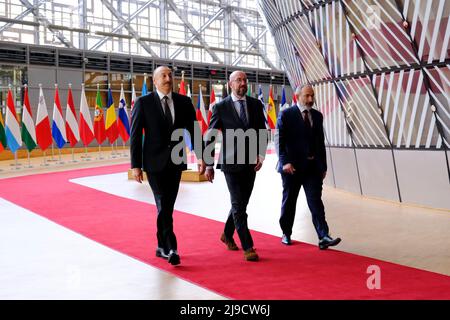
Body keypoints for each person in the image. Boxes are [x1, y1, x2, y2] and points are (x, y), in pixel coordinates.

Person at [130, 66, 205, 266]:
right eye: (163, 75)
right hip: (153, 163)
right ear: (154, 81)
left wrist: (201, 156)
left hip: (176, 161)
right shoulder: (143, 103)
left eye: (170, 75)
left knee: (167, 205)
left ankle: (161, 246)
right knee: (163, 202)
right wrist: (135, 165)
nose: (167, 78)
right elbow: (135, 135)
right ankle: (171, 247)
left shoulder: (183, 102)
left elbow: (194, 131)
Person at [205, 71, 268, 262]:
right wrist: (208, 164)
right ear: (230, 84)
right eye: (238, 80)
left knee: (241, 203)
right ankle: (248, 246)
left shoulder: (256, 104)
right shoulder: (220, 107)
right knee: (239, 206)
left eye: (244, 80)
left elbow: (261, 131)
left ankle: (226, 233)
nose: (243, 83)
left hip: (251, 163)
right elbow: (211, 135)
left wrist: (261, 154)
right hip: (230, 163)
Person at [276, 84, 341, 250]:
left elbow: (320, 143)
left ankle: (323, 236)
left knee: (316, 202)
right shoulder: (286, 115)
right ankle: (286, 232)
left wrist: (323, 166)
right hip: (292, 168)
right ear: (298, 96)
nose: (311, 99)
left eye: (312, 96)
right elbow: (279, 142)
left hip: (313, 168)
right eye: (307, 96)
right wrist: (285, 162)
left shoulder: (317, 116)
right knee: (289, 201)